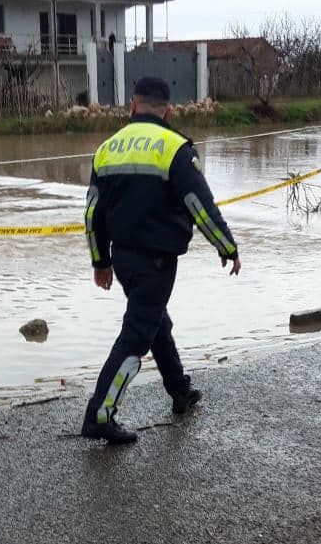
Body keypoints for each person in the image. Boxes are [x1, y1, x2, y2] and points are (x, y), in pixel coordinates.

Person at [82, 76, 241, 444]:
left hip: (122, 260)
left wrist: (99, 261)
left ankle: (180, 391)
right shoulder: (176, 147)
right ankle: (99, 415)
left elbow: (93, 214)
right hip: (156, 262)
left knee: (154, 322)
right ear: (167, 110)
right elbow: (199, 204)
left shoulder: (106, 149)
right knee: (136, 336)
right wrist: (226, 246)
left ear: (133, 106)